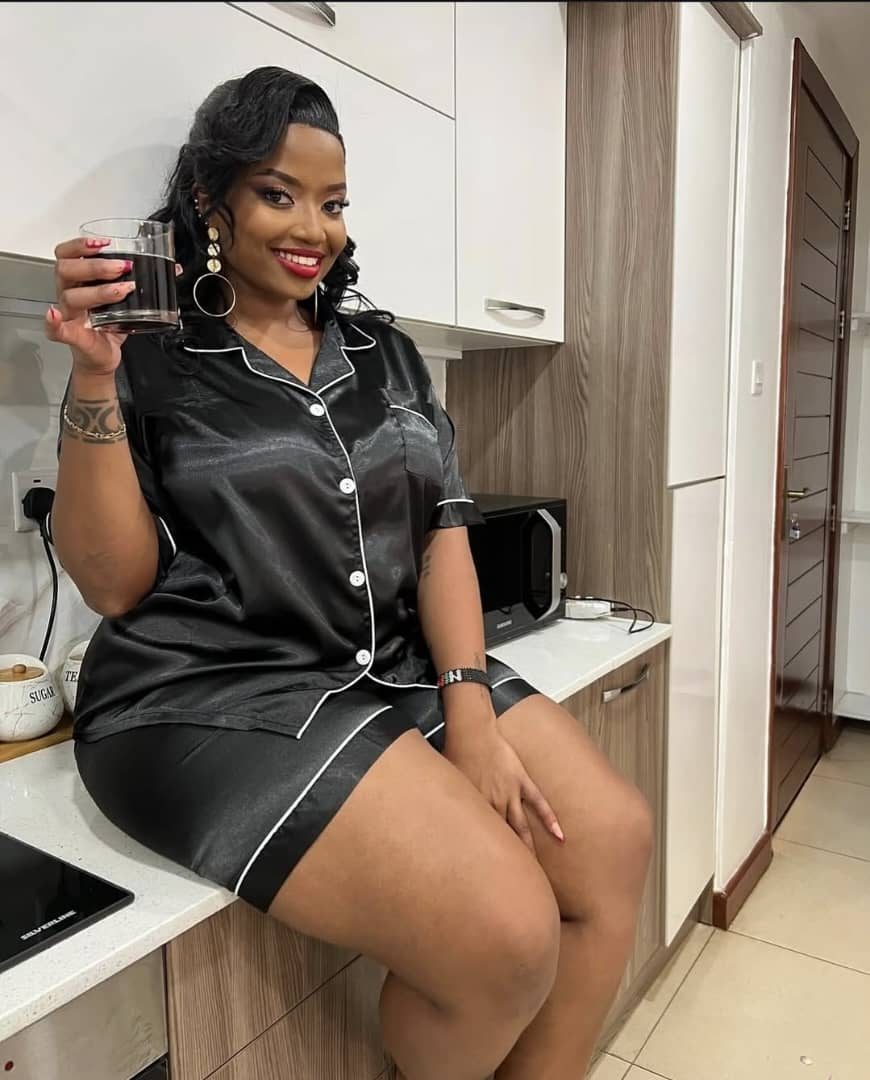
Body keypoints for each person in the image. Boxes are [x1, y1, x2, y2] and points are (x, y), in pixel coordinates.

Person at [47, 67, 653, 1080]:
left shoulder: (385, 351)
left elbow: (442, 531)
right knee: (506, 935)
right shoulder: (148, 351)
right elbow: (113, 586)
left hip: (386, 662)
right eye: (278, 193)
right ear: (210, 200)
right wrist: (93, 376)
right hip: (208, 695)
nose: (312, 228)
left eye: (331, 203)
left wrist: (470, 712)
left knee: (615, 839)